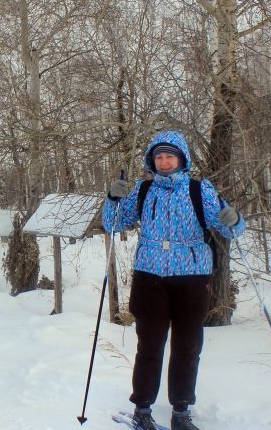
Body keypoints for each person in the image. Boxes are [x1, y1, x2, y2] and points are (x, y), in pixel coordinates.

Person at [102, 130, 245, 430]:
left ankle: (181, 412)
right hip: (150, 277)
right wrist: (112, 199)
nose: (164, 162)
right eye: (159, 157)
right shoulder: (143, 190)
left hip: (192, 278)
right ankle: (142, 409)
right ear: (152, 161)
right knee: (149, 346)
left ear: (181, 159)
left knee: (187, 346)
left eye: (170, 156)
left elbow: (229, 228)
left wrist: (234, 219)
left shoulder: (199, 189)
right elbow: (113, 223)